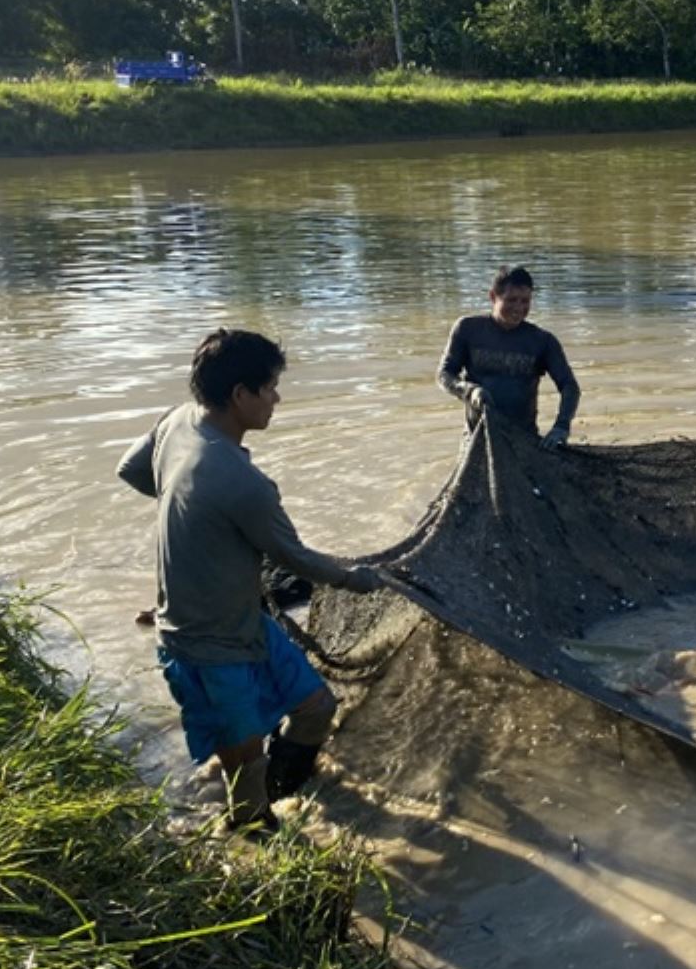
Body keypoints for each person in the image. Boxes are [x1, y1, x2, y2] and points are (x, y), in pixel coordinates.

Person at [116, 329, 386, 834]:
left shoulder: (177, 420)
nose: (277, 399)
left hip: (246, 622)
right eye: (270, 388)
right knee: (246, 774)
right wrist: (358, 579)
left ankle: (288, 794)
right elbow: (297, 559)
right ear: (240, 395)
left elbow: (130, 469)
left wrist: (192, 514)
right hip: (206, 647)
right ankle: (253, 829)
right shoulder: (243, 484)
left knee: (317, 709)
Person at [437, 265, 580, 447]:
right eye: (511, 300)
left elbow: (569, 386)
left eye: (525, 301)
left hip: (523, 438)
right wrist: (469, 390)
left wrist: (561, 426)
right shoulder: (467, 329)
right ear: (492, 297)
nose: (518, 308)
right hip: (476, 438)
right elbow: (444, 374)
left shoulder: (543, 341)